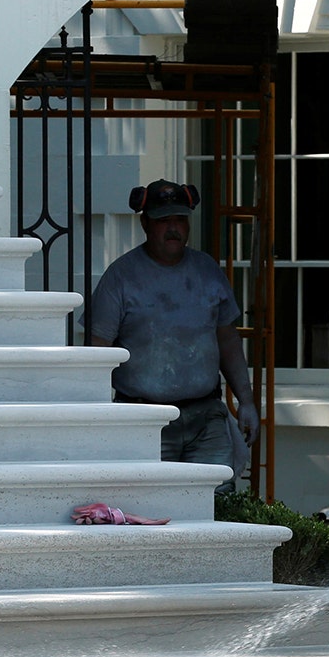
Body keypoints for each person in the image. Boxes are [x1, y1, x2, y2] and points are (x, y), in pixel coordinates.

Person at [83, 179, 258, 493]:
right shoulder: (120, 278)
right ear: (145, 223)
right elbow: (96, 354)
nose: (173, 228)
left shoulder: (207, 271)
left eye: (180, 220)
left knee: (215, 504)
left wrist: (246, 401)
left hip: (207, 418)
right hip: (144, 423)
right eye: (164, 221)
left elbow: (228, 341)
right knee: (149, 507)